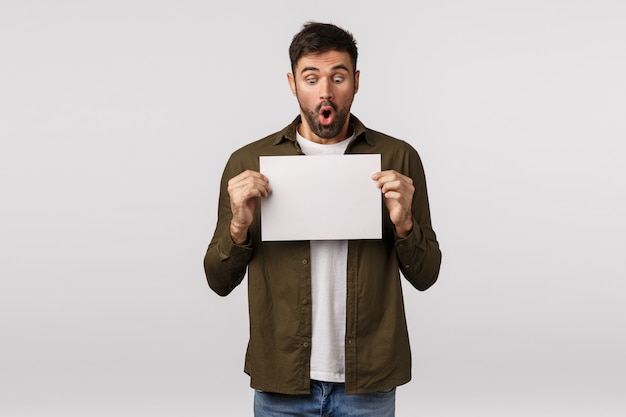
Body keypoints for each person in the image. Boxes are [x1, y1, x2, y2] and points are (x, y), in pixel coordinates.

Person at [204, 22, 442, 417]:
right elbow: (218, 280)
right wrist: (238, 228)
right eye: (311, 78)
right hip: (282, 380)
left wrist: (404, 226)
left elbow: (427, 274)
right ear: (293, 83)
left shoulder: (398, 158)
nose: (325, 91)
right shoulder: (247, 162)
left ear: (356, 81)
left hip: (368, 383)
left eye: (338, 76)